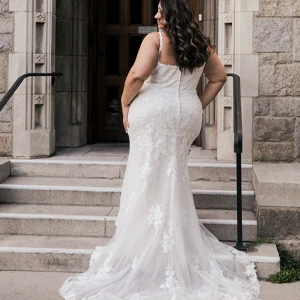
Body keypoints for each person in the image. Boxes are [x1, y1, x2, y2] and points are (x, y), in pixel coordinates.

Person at [59, 1, 260, 299]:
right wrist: (197, 105)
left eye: (160, 11)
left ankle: (143, 246)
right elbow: (218, 78)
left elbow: (137, 76)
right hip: (184, 117)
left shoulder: (155, 40)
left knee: (147, 178)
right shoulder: (200, 44)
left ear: (172, 15)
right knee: (171, 176)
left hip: (155, 116)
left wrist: (125, 103)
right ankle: (169, 241)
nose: (155, 16)